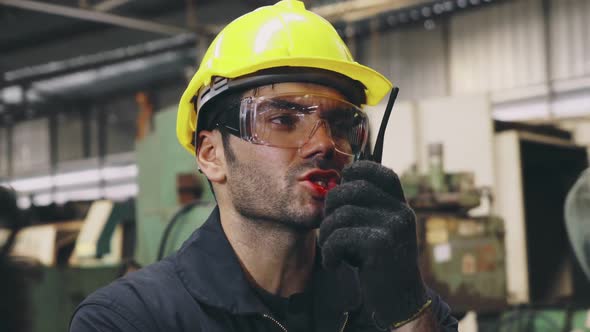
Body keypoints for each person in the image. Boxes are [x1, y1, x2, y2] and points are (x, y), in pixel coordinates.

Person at [70, 0, 458, 331]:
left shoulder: (398, 309)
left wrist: (407, 308)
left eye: (341, 125)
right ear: (211, 155)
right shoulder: (130, 319)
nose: (324, 144)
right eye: (284, 120)